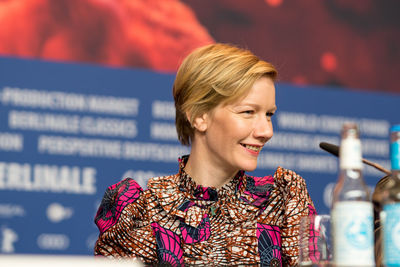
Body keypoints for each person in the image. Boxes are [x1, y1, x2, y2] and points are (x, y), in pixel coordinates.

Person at [94, 43, 316, 266]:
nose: (267, 131)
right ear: (199, 116)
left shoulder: (283, 205)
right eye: (248, 112)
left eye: (269, 114)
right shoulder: (141, 213)